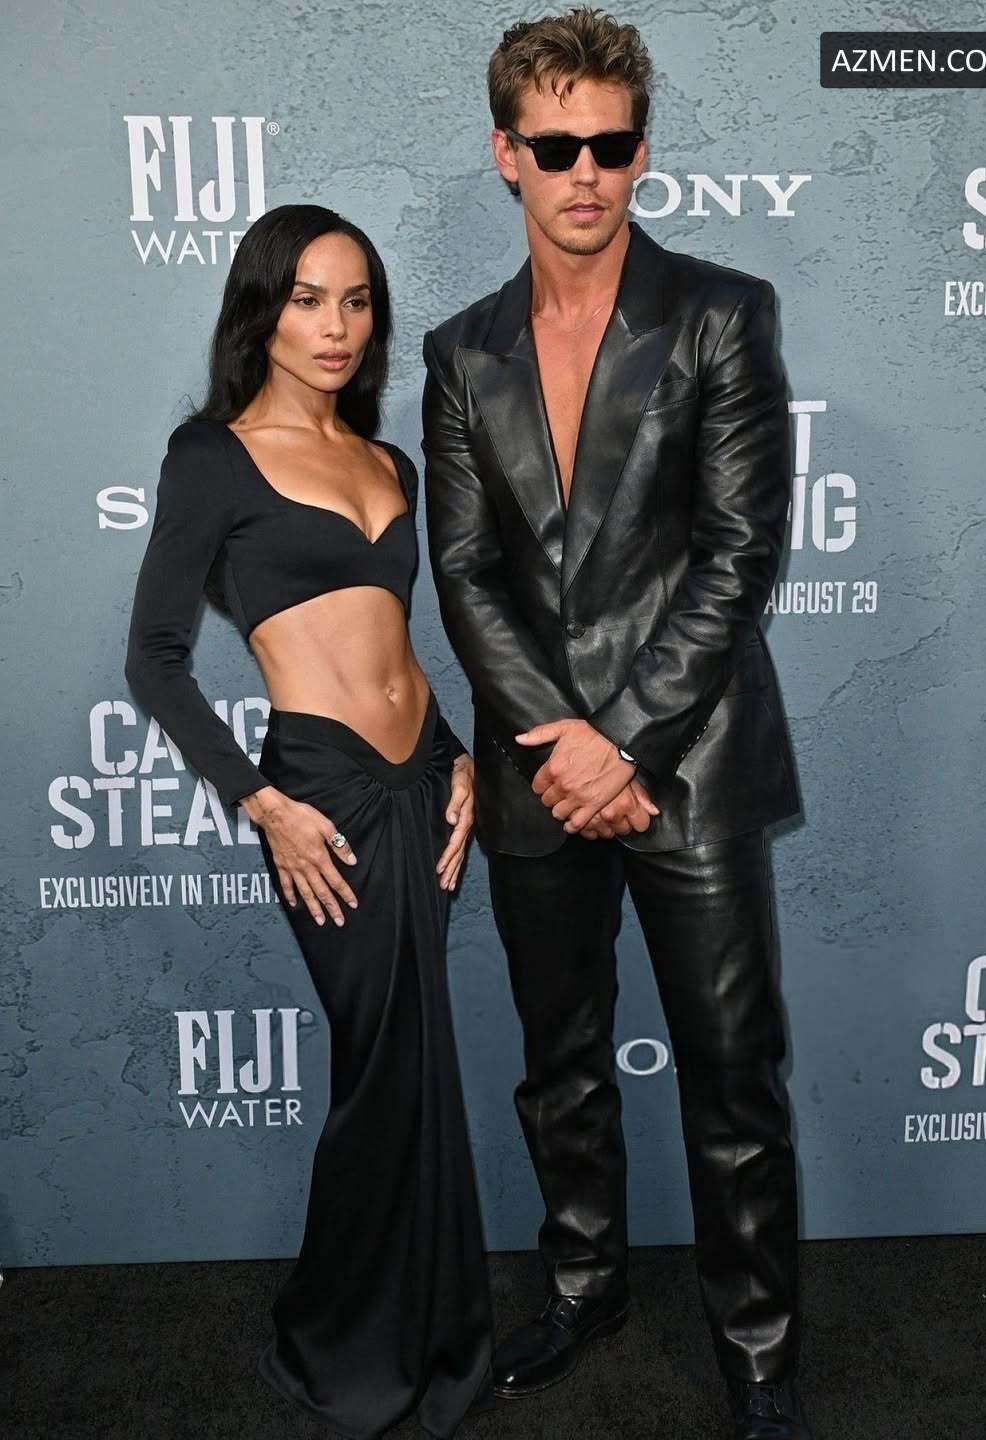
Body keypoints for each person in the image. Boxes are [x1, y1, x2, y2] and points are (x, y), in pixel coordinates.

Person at [421, 10, 812, 1439]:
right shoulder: (461, 352)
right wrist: (561, 744)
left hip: (685, 764)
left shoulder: (722, 312)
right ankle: (584, 1286)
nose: (583, 172)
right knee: (561, 1063)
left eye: (610, 143)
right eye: (554, 146)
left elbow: (737, 556)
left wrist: (622, 744)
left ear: (642, 153)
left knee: (734, 1074)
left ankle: (758, 1348)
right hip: (540, 772)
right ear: (505, 155)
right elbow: (464, 572)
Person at [125, 204, 492, 1440]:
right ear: (261, 312)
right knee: (384, 1070)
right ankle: (344, 1342)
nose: (336, 327)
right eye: (307, 299)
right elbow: (156, 660)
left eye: (357, 301)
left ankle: (432, 1331)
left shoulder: (389, 464)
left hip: (422, 785)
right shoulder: (211, 457)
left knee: (420, 1066)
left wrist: (462, 758)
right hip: (319, 795)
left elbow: (402, 648)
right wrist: (261, 801)